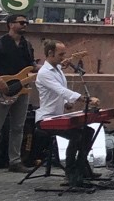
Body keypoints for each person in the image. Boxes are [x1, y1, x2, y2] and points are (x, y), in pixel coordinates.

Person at [34, 40, 101, 187]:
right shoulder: (45, 73)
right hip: (46, 119)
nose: (64, 57)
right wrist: (85, 99)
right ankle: (71, 173)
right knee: (77, 136)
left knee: (88, 132)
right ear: (50, 53)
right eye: (61, 54)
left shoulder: (57, 69)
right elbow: (61, 90)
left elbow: (59, 94)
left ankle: (81, 168)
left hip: (57, 116)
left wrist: (67, 104)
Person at [0, 14, 36, 176]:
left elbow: (31, 66)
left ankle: (15, 161)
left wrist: (52, 66)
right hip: (3, 89)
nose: (25, 25)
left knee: (18, 127)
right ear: (11, 24)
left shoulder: (27, 44)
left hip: (22, 90)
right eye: (22, 22)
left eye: (26, 22)